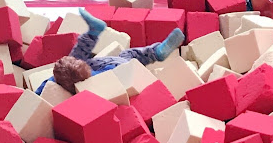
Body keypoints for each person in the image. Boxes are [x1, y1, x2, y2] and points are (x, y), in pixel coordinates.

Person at [36, 8, 185, 95]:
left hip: (116, 68)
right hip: (116, 65)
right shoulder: (85, 75)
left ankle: (157, 52)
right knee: (129, 54)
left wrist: (35, 94)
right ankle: (156, 52)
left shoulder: (61, 83)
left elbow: (45, 86)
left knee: (130, 57)